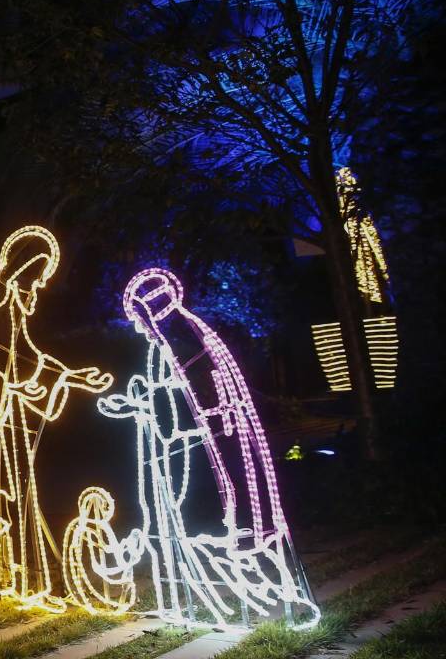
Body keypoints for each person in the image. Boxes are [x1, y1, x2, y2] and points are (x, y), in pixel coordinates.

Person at [101, 268, 320, 628]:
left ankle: (276, 596)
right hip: (206, 450)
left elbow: (191, 404)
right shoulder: (175, 338)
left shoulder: (183, 340)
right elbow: (172, 399)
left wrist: (141, 407)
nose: (138, 327)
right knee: (223, 535)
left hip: (219, 452)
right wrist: (140, 406)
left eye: (139, 317)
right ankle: (253, 595)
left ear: (152, 309)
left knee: (232, 533)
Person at [0, 225, 113, 610]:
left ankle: (20, 582)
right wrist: (31, 380)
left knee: (18, 495)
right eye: (36, 277)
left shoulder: (10, 307)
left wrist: (71, 376)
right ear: (21, 268)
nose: (37, 287)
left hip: (5, 415)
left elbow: (27, 356)